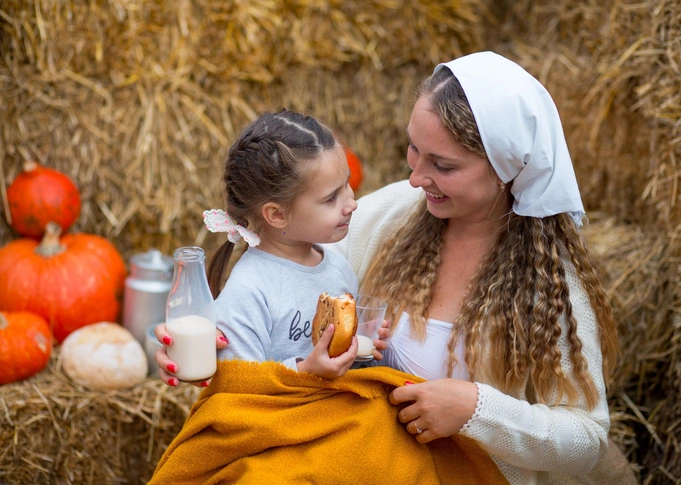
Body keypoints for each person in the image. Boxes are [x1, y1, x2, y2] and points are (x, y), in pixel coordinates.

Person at [157, 52, 630, 484]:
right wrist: (211, 358)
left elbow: (586, 441)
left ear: (507, 168)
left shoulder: (549, 282)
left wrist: (474, 410)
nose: (415, 177)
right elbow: (284, 278)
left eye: (443, 165)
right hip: (361, 456)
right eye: (413, 149)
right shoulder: (392, 216)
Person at [157, 109, 390, 386]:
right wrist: (305, 371)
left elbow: (342, 365)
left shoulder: (337, 267)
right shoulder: (249, 291)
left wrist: (361, 347)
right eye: (331, 198)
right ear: (277, 215)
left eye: (348, 185)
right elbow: (239, 387)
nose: (352, 203)